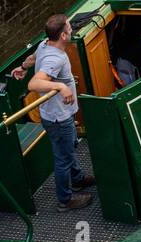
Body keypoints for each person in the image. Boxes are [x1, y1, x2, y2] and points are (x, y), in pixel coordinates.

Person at [24, 14, 94, 211]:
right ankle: (65, 200)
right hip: (58, 117)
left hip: (56, 114)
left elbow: (33, 58)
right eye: (70, 29)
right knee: (62, 158)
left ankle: (78, 179)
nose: (72, 31)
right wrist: (62, 88)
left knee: (69, 146)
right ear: (63, 35)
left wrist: (22, 67)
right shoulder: (56, 58)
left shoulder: (45, 44)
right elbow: (34, 83)